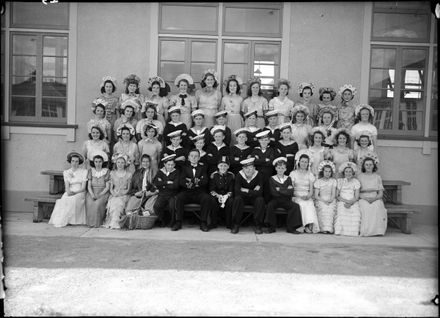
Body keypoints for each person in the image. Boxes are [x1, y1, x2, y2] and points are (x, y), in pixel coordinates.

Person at [172, 149, 212, 232]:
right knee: (179, 197)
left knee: (207, 198)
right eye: (192, 156)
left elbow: (205, 180)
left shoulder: (203, 167)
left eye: (196, 156)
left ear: (199, 158)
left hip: (199, 192)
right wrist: (194, 182)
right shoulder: (184, 167)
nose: (194, 158)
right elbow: (182, 181)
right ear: (188, 158)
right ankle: (178, 222)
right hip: (187, 191)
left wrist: (191, 180)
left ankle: (203, 222)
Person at [49, 152, 88, 227]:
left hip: (80, 192)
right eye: (73, 161)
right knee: (64, 199)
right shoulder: (66, 172)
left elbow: (83, 188)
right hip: (70, 190)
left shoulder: (84, 171)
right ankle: (64, 219)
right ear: (70, 161)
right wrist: (68, 192)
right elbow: (67, 185)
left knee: (73, 199)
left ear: (79, 162)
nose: (74, 163)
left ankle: (72, 220)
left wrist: (75, 192)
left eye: (76, 161)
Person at [265, 157, 303, 234]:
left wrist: (280, 189)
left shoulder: (288, 178)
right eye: (279, 168)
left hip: (286, 200)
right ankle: (271, 227)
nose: (280, 170)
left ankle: (291, 228)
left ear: (285, 169)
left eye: (282, 168)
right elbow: (273, 192)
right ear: (276, 168)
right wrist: (285, 189)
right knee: (270, 205)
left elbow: (291, 192)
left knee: (295, 206)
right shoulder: (272, 179)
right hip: (275, 200)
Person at [231, 157, 266, 234]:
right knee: (237, 199)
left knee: (260, 200)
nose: (248, 170)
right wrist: (253, 191)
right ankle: (236, 225)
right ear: (243, 169)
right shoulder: (239, 175)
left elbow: (259, 192)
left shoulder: (259, 175)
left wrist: (246, 190)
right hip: (243, 198)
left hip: (254, 199)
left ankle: (258, 225)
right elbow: (237, 191)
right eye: (246, 168)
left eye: (251, 168)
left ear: (254, 168)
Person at [290, 150, 320, 233]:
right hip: (296, 195)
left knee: (309, 203)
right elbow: (291, 189)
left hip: (307, 195)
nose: (304, 163)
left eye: (306, 162)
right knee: (301, 204)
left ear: (308, 163)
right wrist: (299, 196)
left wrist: (308, 196)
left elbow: (311, 189)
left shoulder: (310, 174)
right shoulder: (293, 173)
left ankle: (309, 225)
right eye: (302, 161)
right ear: (299, 162)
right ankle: (302, 225)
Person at [357, 155, 387, 236]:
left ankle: (377, 231)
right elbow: (357, 192)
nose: (369, 166)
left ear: (373, 165)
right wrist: (365, 198)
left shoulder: (377, 177)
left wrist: (374, 199)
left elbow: (380, 193)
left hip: (375, 197)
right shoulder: (359, 176)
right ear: (364, 166)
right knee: (365, 207)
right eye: (366, 164)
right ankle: (366, 230)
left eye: (370, 164)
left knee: (377, 206)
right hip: (363, 197)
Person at [103, 153, 132, 229]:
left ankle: (116, 223)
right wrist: (113, 193)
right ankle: (112, 222)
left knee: (119, 203)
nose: (120, 164)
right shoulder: (112, 173)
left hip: (123, 194)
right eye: (118, 162)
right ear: (115, 163)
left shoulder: (128, 174)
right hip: (115, 193)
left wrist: (122, 193)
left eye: (122, 162)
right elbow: (111, 187)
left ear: (125, 164)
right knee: (114, 203)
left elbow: (128, 188)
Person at [334, 161, 361, 236]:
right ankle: (341, 231)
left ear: (353, 173)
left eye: (350, 172)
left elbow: (356, 196)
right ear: (344, 172)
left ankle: (352, 232)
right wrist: (346, 201)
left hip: (353, 201)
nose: (348, 173)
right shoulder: (340, 181)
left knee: (355, 213)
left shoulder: (356, 182)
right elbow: (337, 195)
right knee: (342, 212)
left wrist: (351, 202)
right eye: (346, 171)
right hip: (342, 200)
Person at [153, 154, 180, 227]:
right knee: (157, 206)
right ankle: (162, 220)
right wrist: (167, 182)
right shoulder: (160, 172)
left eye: (172, 165)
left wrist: (162, 184)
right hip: (162, 194)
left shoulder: (176, 172)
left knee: (172, 206)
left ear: (174, 165)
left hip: (172, 194)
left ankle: (172, 221)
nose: (170, 166)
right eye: (168, 165)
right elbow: (156, 183)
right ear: (164, 164)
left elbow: (175, 185)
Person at [85, 151, 110, 228]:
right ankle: (90, 223)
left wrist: (100, 195)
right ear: (93, 162)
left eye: (100, 162)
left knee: (98, 204)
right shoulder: (90, 171)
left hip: (103, 192)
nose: (98, 163)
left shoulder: (106, 171)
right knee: (90, 203)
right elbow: (89, 186)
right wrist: (92, 195)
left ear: (103, 162)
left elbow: (107, 187)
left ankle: (97, 223)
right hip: (92, 191)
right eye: (96, 161)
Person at [209, 156, 235, 229]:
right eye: (221, 165)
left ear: (228, 167)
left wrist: (226, 196)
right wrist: (218, 196)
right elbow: (212, 189)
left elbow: (231, 189)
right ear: (218, 166)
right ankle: (213, 223)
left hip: (227, 195)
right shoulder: (214, 175)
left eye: (225, 166)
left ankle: (228, 223)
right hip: (217, 195)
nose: (223, 168)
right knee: (212, 200)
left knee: (230, 201)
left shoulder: (231, 176)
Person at [251, 130, 278, 203]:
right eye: (261, 140)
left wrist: (259, 159)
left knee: (267, 193)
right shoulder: (255, 150)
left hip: (268, 175)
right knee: (258, 193)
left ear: (269, 141)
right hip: (257, 175)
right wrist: (265, 159)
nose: (263, 142)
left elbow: (271, 162)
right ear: (259, 141)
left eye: (266, 140)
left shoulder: (271, 150)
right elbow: (254, 161)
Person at [314, 160, 337, 234]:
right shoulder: (318, 181)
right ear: (322, 172)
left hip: (330, 199)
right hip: (321, 199)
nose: (327, 173)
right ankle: (323, 228)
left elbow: (333, 194)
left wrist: (330, 200)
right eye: (326, 171)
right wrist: (323, 201)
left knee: (330, 209)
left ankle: (329, 228)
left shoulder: (333, 181)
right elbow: (316, 195)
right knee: (323, 208)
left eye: (329, 171)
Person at [220, 75, 244, 143]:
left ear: (237, 87)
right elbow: (221, 111)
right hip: (227, 119)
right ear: (228, 87)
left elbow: (242, 112)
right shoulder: (224, 98)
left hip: (237, 119)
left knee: (236, 136)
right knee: (228, 136)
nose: (232, 87)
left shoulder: (240, 98)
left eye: (234, 86)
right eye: (230, 85)